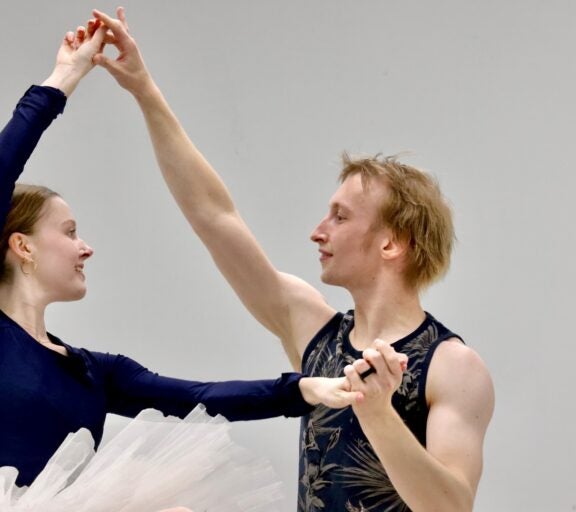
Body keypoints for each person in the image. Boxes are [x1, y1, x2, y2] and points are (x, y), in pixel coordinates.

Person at [0, 16, 356, 512]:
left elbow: (196, 397)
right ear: (22, 246)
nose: (86, 248)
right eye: (69, 232)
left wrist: (302, 389)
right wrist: (65, 76)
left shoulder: (91, 372)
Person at [92, 7, 495, 512]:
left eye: (340, 217)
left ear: (392, 243)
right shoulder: (312, 329)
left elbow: (452, 506)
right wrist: (145, 91)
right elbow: (214, 217)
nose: (317, 231)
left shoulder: (452, 365)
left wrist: (377, 413)